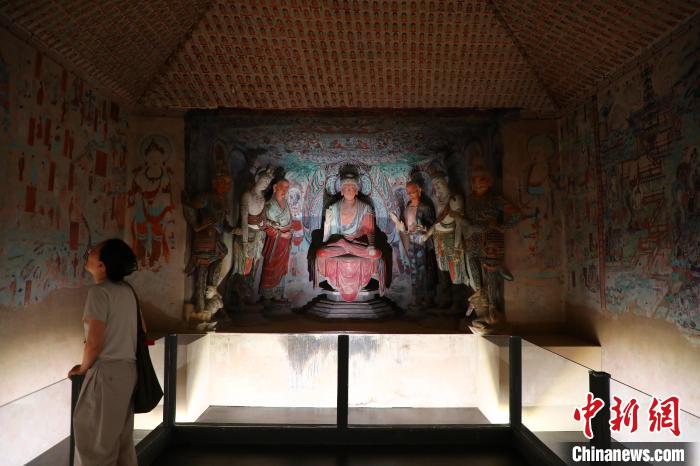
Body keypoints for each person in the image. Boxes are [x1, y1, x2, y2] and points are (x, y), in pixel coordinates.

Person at [68, 238, 140, 466]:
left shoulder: (99, 293)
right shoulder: (127, 291)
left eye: (94, 251)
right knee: (121, 445)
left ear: (102, 265)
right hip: (127, 371)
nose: (88, 253)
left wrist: (82, 368)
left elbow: (94, 342)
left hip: (105, 374)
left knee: (95, 446)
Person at [314, 173, 384, 302]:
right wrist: (327, 223)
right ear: (341, 191)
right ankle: (346, 246)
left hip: (357, 244)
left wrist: (371, 245)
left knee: (376, 253)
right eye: (346, 188)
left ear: (357, 191)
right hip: (338, 244)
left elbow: (369, 231)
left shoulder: (365, 208)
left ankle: (347, 245)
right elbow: (327, 237)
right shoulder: (334, 208)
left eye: (352, 188)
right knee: (320, 253)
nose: (349, 190)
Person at [389, 181, 437, 309]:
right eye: (408, 192)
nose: (410, 194)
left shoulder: (425, 207)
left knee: (424, 269)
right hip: (411, 241)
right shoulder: (407, 206)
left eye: (413, 191)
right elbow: (405, 225)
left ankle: (428, 298)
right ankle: (417, 297)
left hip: (422, 242)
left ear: (419, 190)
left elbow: (433, 224)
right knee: (414, 270)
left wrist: (425, 228)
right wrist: (399, 224)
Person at [260, 178, 293, 303]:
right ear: (275, 187)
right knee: (271, 265)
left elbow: (289, 221)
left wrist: (289, 232)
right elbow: (265, 225)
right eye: (282, 187)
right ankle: (267, 295)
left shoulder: (286, 203)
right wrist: (281, 234)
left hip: (285, 242)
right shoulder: (269, 204)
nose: (285, 190)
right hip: (275, 241)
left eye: (287, 187)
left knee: (283, 267)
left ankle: (278, 293)